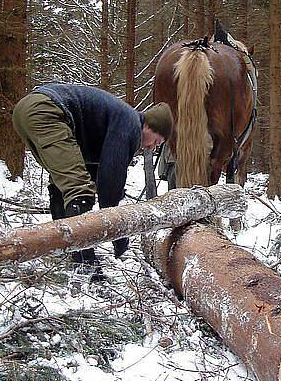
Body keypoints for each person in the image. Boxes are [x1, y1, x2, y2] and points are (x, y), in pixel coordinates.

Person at [12, 84, 173, 277]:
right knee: (79, 191)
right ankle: (84, 263)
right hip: (47, 110)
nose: (152, 147)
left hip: (26, 111)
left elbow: (95, 173)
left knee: (65, 186)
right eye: (156, 141)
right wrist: (119, 234)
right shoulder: (130, 122)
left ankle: (66, 246)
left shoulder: (116, 121)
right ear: (148, 126)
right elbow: (110, 181)